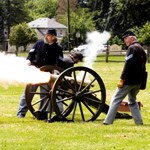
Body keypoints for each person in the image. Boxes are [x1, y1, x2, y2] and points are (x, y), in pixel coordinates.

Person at [17, 29, 63, 118]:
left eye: (49, 35)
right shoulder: (39, 44)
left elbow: (60, 62)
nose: (46, 36)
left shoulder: (58, 48)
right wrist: (28, 62)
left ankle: (42, 113)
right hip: (35, 72)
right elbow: (31, 55)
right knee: (28, 94)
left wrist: (57, 71)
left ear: (54, 37)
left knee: (45, 95)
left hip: (47, 74)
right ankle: (21, 113)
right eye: (46, 34)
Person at [103, 30, 147, 125]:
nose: (125, 41)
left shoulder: (132, 48)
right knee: (132, 101)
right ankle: (139, 122)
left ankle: (108, 121)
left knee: (115, 99)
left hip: (129, 80)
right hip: (138, 81)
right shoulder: (141, 49)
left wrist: (122, 78)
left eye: (125, 39)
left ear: (131, 38)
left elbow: (128, 65)